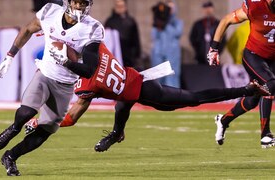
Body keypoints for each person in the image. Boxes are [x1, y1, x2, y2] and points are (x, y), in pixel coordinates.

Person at [25, 42, 269, 152]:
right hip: (130, 85)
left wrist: (39, 122)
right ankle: (116, 133)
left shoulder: (86, 78)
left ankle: (244, 90)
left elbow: (71, 117)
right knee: (121, 105)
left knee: (195, 98)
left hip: (145, 90)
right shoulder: (95, 49)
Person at [0, 0, 105, 176]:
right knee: (27, 111)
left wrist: (67, 62)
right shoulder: (49, 12)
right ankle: (14, 128)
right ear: (66, 0)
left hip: (66, 84)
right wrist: (10, 56)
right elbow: (28, 29)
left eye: (83, 3)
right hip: (45, 74)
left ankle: (10, 156)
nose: (79, 6)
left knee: (45, 131)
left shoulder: (92, 28)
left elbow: (88, 70)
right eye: (75, 2)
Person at [207, 0, 275, 148]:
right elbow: (226, 20)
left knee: (253, 99)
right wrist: (214, 48)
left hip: (273, 57)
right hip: (254, 55)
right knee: (271, 84)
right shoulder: (255, 5)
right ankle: (265, 133)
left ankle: (223, 120)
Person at [151, 0, 183, 87]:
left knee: (172, 75)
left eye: (171, 8)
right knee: (158, 74)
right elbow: (154, 35)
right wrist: (159, 21)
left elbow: (178, 33)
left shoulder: (177, 22)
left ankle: (174, 95)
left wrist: (166, 25)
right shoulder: (158, 21)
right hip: (159, 51)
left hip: (172, 52)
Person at [104, 0, 141, 68]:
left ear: (125, 7)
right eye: (118, 6)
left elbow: (136, 39)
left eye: (122, 6)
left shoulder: (131, 21)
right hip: (114, 54)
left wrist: (137, 55)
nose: (120, 8)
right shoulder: (110, 21)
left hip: (128, 54)